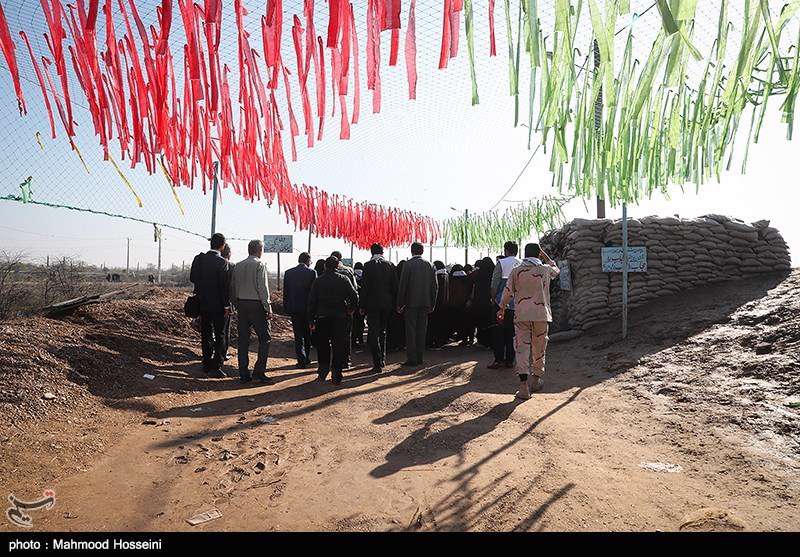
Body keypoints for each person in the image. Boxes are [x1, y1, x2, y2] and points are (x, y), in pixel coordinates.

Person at [497, 243, 560, 400]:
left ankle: (523, 386)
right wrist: (545, 256)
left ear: (524, 254)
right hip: (541, 315)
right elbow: (557, 270)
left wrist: (502, 309)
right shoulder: (545, 270)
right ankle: (536, 380)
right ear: (538, 254)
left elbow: (507, 292)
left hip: (522, 315)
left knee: (521, 348)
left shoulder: (516, 271)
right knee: (539, 347)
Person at [307, 256, 359, 385]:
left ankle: (323, 369)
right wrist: (351, 309)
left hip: (322, 318)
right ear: (337, 266)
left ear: (325, 266)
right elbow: (355, 296)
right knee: (338, 345)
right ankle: (337, 372)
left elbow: (312, 302)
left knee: (323, 344)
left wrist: (311, 320)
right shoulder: (344, 279)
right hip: (340, 317)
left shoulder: (318, 281)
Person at [189, 233, 232, 378]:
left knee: (206, 333)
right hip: (219, 306)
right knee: (220, 335)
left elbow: (192, 278)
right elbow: (224, 287)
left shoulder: (199, 259)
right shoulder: (222, 263)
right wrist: (226, 306)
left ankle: (206, 363)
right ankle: (217, 365)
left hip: (203, 303)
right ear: (222, 245)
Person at [231, 239, 273, 383]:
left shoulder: (238, 265)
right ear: (259, 250)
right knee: (265, 338)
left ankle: (243, 374)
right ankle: (259, 372)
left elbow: (233, 287)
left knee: (243, 340)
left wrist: (236, 304)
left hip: (241, 304)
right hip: (257, 305)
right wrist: (268, 308)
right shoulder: (260, 264)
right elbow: (263, 288)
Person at [396, 242, 437, 367]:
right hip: (425, 303)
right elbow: (435, 287)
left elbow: (403, 285)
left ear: (412, 251)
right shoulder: (430, 265)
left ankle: (412, 359)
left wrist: (399, 303)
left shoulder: (408, 264)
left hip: (410, 303)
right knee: (421, 331)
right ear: (422, 251)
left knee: (411, 331)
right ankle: (420, 357)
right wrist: (432, 303)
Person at [359, 243, 398, 374]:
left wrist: (362, 305)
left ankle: (377, 363)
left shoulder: (368, 266)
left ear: (371, 252)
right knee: (383, 331)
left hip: (372, 304)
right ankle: (382, 359)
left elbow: (364, 288)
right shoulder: (390, 265)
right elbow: (395, 287)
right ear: (383, 252)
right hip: (387, 304)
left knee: (374, 332)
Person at [489, 242, 521, 369]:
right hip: (517, 305)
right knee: (512, 333)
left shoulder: (501, 263)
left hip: (501, 304)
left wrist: (493, 299)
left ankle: (498, 360)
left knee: (498, 332)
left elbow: (494, 284)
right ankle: (510, 360)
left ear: (506, 250)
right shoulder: (522, 264)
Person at [283, 252, 317, 368]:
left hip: (294, 308)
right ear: (307, 261)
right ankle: (306, 357)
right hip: (308, 309)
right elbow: (314, 294)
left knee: (298, 335)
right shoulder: (312, 273)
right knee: (307, 334)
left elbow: (286, 292)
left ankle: (301, 359)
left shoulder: (288, 273)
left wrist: (286, 307)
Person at [331, 251, 358, 368]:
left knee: (332, 337)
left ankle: (332, 362)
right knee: (346, 336)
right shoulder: (348, 271)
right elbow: (355, 290)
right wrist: (352, 308)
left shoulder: (326, 272)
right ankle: (346, 360)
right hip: (345, 309)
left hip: (329, 310)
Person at [471, 257, 496, 349]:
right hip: (491, 301)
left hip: (479, 301)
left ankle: (482, 341)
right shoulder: (494, 273)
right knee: (491, 322)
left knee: (481, 322)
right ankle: (491, 341)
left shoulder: (478, 274)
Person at [447, 264, 472, 346]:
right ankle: (466, 338)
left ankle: (458, 336)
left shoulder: (451, 279)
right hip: (465, 304)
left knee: (456, 322)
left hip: (454, 305)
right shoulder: (467, 279)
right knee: (465, 322)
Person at [428, 260, 449, 348]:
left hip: (436, 303)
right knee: (442, 323)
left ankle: (436, 342)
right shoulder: (446, 275)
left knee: (435, 324)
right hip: (445, 303)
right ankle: (442, 341)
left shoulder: (437, 276)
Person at [221, 244, 235, 361]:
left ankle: (214, 352)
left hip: (212, 302)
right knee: (225, 330)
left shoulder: (214, 264)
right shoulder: (231, 266)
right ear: (229, 253)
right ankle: (223, 353)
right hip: (227, 302)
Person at [352, 262, 366, 349]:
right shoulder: (364, 276)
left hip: (353, 302)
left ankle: (353, 340)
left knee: (353, 322)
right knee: (361, 322)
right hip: (362, 302)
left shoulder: (352, 274)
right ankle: (360, 339)